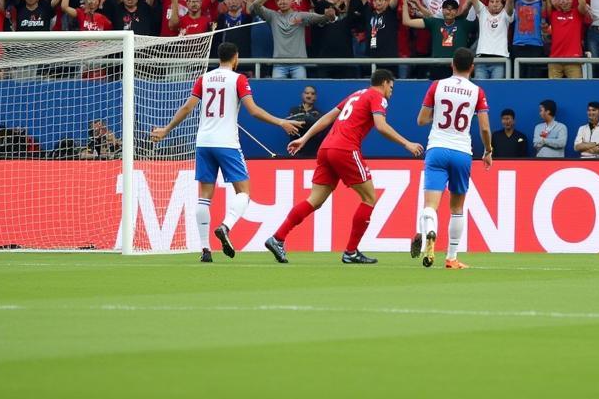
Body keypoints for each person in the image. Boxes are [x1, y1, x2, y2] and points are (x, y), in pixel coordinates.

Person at [151, 41, 302, 263]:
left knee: (204, 197)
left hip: (203, 143)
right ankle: (226, 225)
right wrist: (281, 122)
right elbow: (253, 110)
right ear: (236, 58)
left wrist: (166, 129)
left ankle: (205, 250)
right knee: (244, 192)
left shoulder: (204, 78)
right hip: (227, 143)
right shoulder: (239, 79)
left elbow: (187, 107)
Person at [265, 69, 423, 265]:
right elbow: (381, 126)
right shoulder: (377, 96)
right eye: (391, 87)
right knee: (369, 198)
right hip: (345, 149)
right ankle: (350, 251)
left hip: (326, 148)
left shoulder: (356, 94)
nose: (391, 92)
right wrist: (406, 143)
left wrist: (304, 138)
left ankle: (278, 238)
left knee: (315, 200)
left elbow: (327, 118)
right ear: (384, 83)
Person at [412, 47, 493, 269]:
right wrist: (488, 150)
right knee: (457, 208)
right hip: (461, 152)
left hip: (437, 148)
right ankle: (452, 257)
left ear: (452, 65)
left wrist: (436, 116)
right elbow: (485, 128)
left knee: (430, 205)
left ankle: (430, 230)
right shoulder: (477, 91)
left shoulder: (436, 86)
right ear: (473, 68)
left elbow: (421, 120)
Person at [287, 85, 323, 158]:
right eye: (307, 93)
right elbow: (289, 123)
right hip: (295, 150)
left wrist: (304, 119)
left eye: (312, 94)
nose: (309, 96)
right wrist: (309, 120)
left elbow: (316, 126)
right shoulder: (294, 110)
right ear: (302, 95)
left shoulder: (319, 114)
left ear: (315, 97)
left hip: (312, 152)